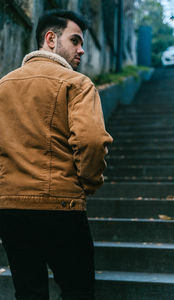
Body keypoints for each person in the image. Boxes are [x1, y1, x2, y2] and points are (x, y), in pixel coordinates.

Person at [0, 9, 113, 300]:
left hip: (11, 211)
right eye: (75, 40)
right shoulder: (77, 83)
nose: (82, 49)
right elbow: (91, 141)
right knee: (78, 290)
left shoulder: (3, 86)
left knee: (28, 292)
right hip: (61, 207)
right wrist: (88, 184)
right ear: (51, 39)